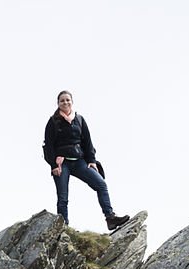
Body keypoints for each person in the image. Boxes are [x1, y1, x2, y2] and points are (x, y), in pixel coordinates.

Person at [43, 90, 130, 230]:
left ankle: (110, 217)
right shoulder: (53, 121)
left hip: (79, 161)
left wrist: (92, 161)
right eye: (62, 100)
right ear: (58, 104)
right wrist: (54, 165)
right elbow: (48, 145)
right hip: (61, 163)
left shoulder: (80, 119)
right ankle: (63, 228)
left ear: (72, 102)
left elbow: (88, 142)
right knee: (63, 197)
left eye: (67, 100)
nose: (65, 102)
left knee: (101, 184)